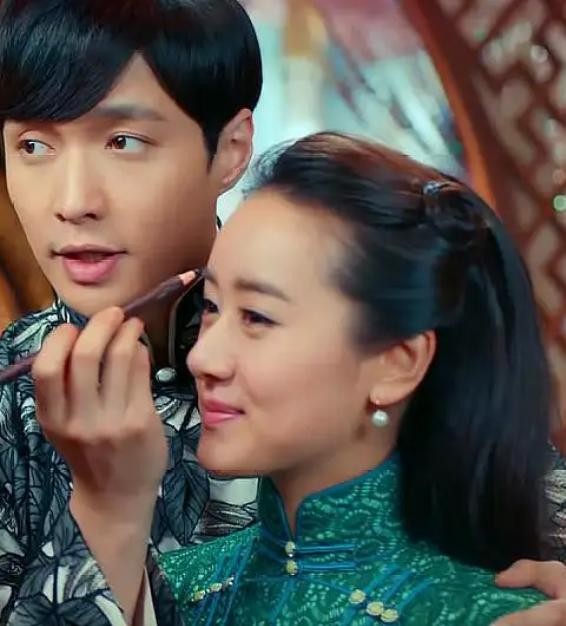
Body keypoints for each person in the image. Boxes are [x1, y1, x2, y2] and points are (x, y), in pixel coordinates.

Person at [0, 2, 566, 624]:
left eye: (122, 141)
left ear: (230, 149)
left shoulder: (377, 352)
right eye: (34, 146)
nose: (72, 202)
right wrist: (104, 516)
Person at [41, 131, 562, 625]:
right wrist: (108, 513)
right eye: (212, 307)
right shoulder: (174, 590)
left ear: (397, 363)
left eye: (257, 317)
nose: (202, 357)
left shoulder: (495, 615)